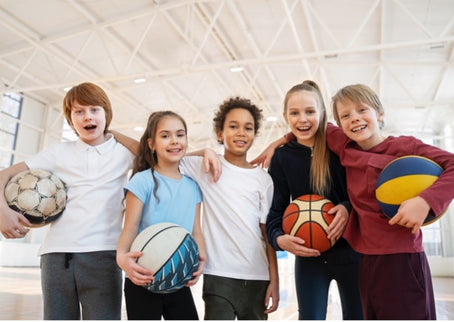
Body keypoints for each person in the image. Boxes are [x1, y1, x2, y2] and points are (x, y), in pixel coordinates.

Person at [252, 83, 454, 320]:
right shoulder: (346, 147)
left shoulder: (402, 147)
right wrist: (278, 142)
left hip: (398, 257)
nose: (355, 119)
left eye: (362, 110)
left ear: (380, 113)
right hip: (367, 260)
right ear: (339, 124)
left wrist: (426, 200)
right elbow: (305, 127)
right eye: (346, 116)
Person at [0, 82, 135, 319]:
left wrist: (115, 134)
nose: (87, 117)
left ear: (107, 113)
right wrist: (3, 211)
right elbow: (3, 175)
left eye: (95, 109)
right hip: (56, 257)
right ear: (70, 120)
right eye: (78, 111)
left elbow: (158, 156)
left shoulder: (123, 152)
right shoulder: (58, 153)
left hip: (103, 256)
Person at [265, 81, 363, 320]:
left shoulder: (342, 148)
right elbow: (274, 212)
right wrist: (279, 239)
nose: (303, 119)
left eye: (310, 111)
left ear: (322, 113)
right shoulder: (282, 157)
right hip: (309, 257)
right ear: (285, 116)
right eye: (294, 113)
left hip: (352, 252)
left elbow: (363, 195)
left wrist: (347, 207)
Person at [179, 97, 279, 320]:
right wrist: (204, 151)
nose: (241, 133)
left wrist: (274, 279)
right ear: (220, 133)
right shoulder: (207, 167)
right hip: (218, 275)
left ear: (254, 134)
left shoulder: (263, 180)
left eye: (248, 128)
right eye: (233, 126)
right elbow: (169, 156)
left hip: (257, 276)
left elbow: (266, 233)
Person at [116, 110, 206, 320]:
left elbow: (196, 231)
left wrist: (201, 257)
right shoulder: (142, 181)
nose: (174, 141)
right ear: (151, 144)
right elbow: (129, 227)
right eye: (165, 136)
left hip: (178, 276)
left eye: (180, 134)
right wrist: (121, 258)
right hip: (142, 277)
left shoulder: (193, 186)